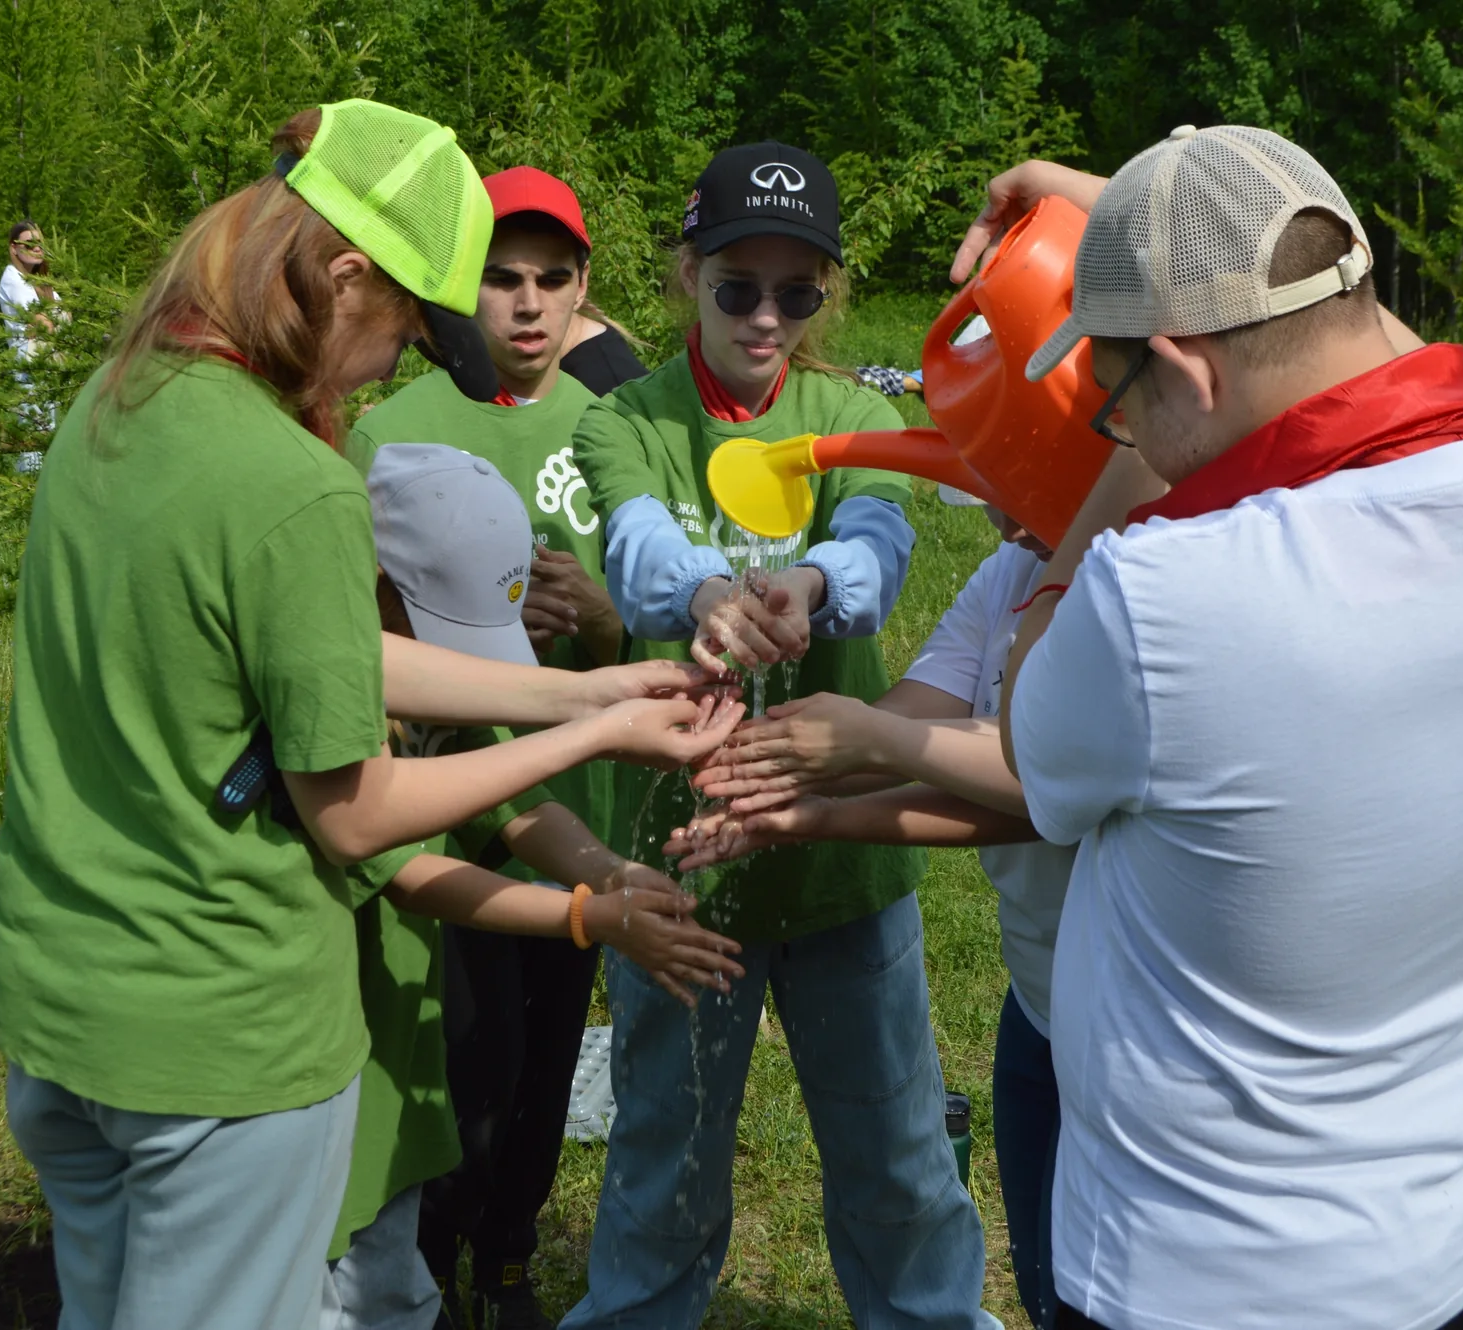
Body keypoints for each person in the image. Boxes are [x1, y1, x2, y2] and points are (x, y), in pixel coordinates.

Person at [0, 100, 739, 1330]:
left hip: (70, 1013)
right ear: (344, 278)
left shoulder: (119, 401)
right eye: (406, 327)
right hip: (216, 1043)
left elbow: (329, 661)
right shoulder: (293, 483)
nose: (399, 363)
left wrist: (585, 686)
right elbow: (358, 816)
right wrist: (596, 737)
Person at [964, 129, 1463, 1330]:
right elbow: (1398, 368)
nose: (1113, 439)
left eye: (1112, 405)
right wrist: (1164, 224)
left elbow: (1029, 727)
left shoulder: (1161, 601)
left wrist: (1115, 485)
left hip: (1193, 1283)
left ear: (1181, 367)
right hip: (1451, 1243)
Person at [560, 141, 999, 1330]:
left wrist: (809, 583)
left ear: (826, 298)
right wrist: (707, 593)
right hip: (678, 863)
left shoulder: (851, 416)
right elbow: (641, 544)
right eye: (735, 287)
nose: (765, 316)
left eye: (796, 293)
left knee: (897, 1154)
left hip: (837, 857)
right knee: (663, 1149)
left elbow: (875, 542)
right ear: (683, 277)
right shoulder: (625, 419)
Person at [324, 443, 744, 1330]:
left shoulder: (413, 682)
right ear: (375, 586)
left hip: (386, 1062)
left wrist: (614, 871)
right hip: (326, 1062)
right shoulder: (333, 699)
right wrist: (591, 915)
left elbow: (510, 798)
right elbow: (406, 871)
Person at [344, 165, 641, 1329]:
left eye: (549, 280)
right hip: (416, 796)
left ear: (583, 295)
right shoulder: (385, 426)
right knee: (446, 1056)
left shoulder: (614, 428)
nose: (523, 305)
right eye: (499, 279)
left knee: (538, 1064)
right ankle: (416, 1250)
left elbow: (655, 616)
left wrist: (607, 622)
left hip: (567, 801)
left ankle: (509, 1258)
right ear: (460, 294)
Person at [673, 502, 1075, 1328]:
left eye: (1015, 489)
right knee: (1043, 1279)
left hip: (1129, 1019)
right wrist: (789, 774)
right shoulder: (1016, 570)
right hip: (1038, 997)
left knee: (1096, 1285)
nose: (1001, 523)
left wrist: (853, 758)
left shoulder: (1143, 578)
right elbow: (925, 710)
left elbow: (1046, 788)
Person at [0, 220, 56, 362]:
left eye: (40, 243)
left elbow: (65, 317)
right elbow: (45, 325)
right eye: (29, 244)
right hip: (29, 366)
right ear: (14, 248)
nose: (37, 248)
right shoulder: (13, 279)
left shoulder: (40, 281)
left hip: (49, 361)